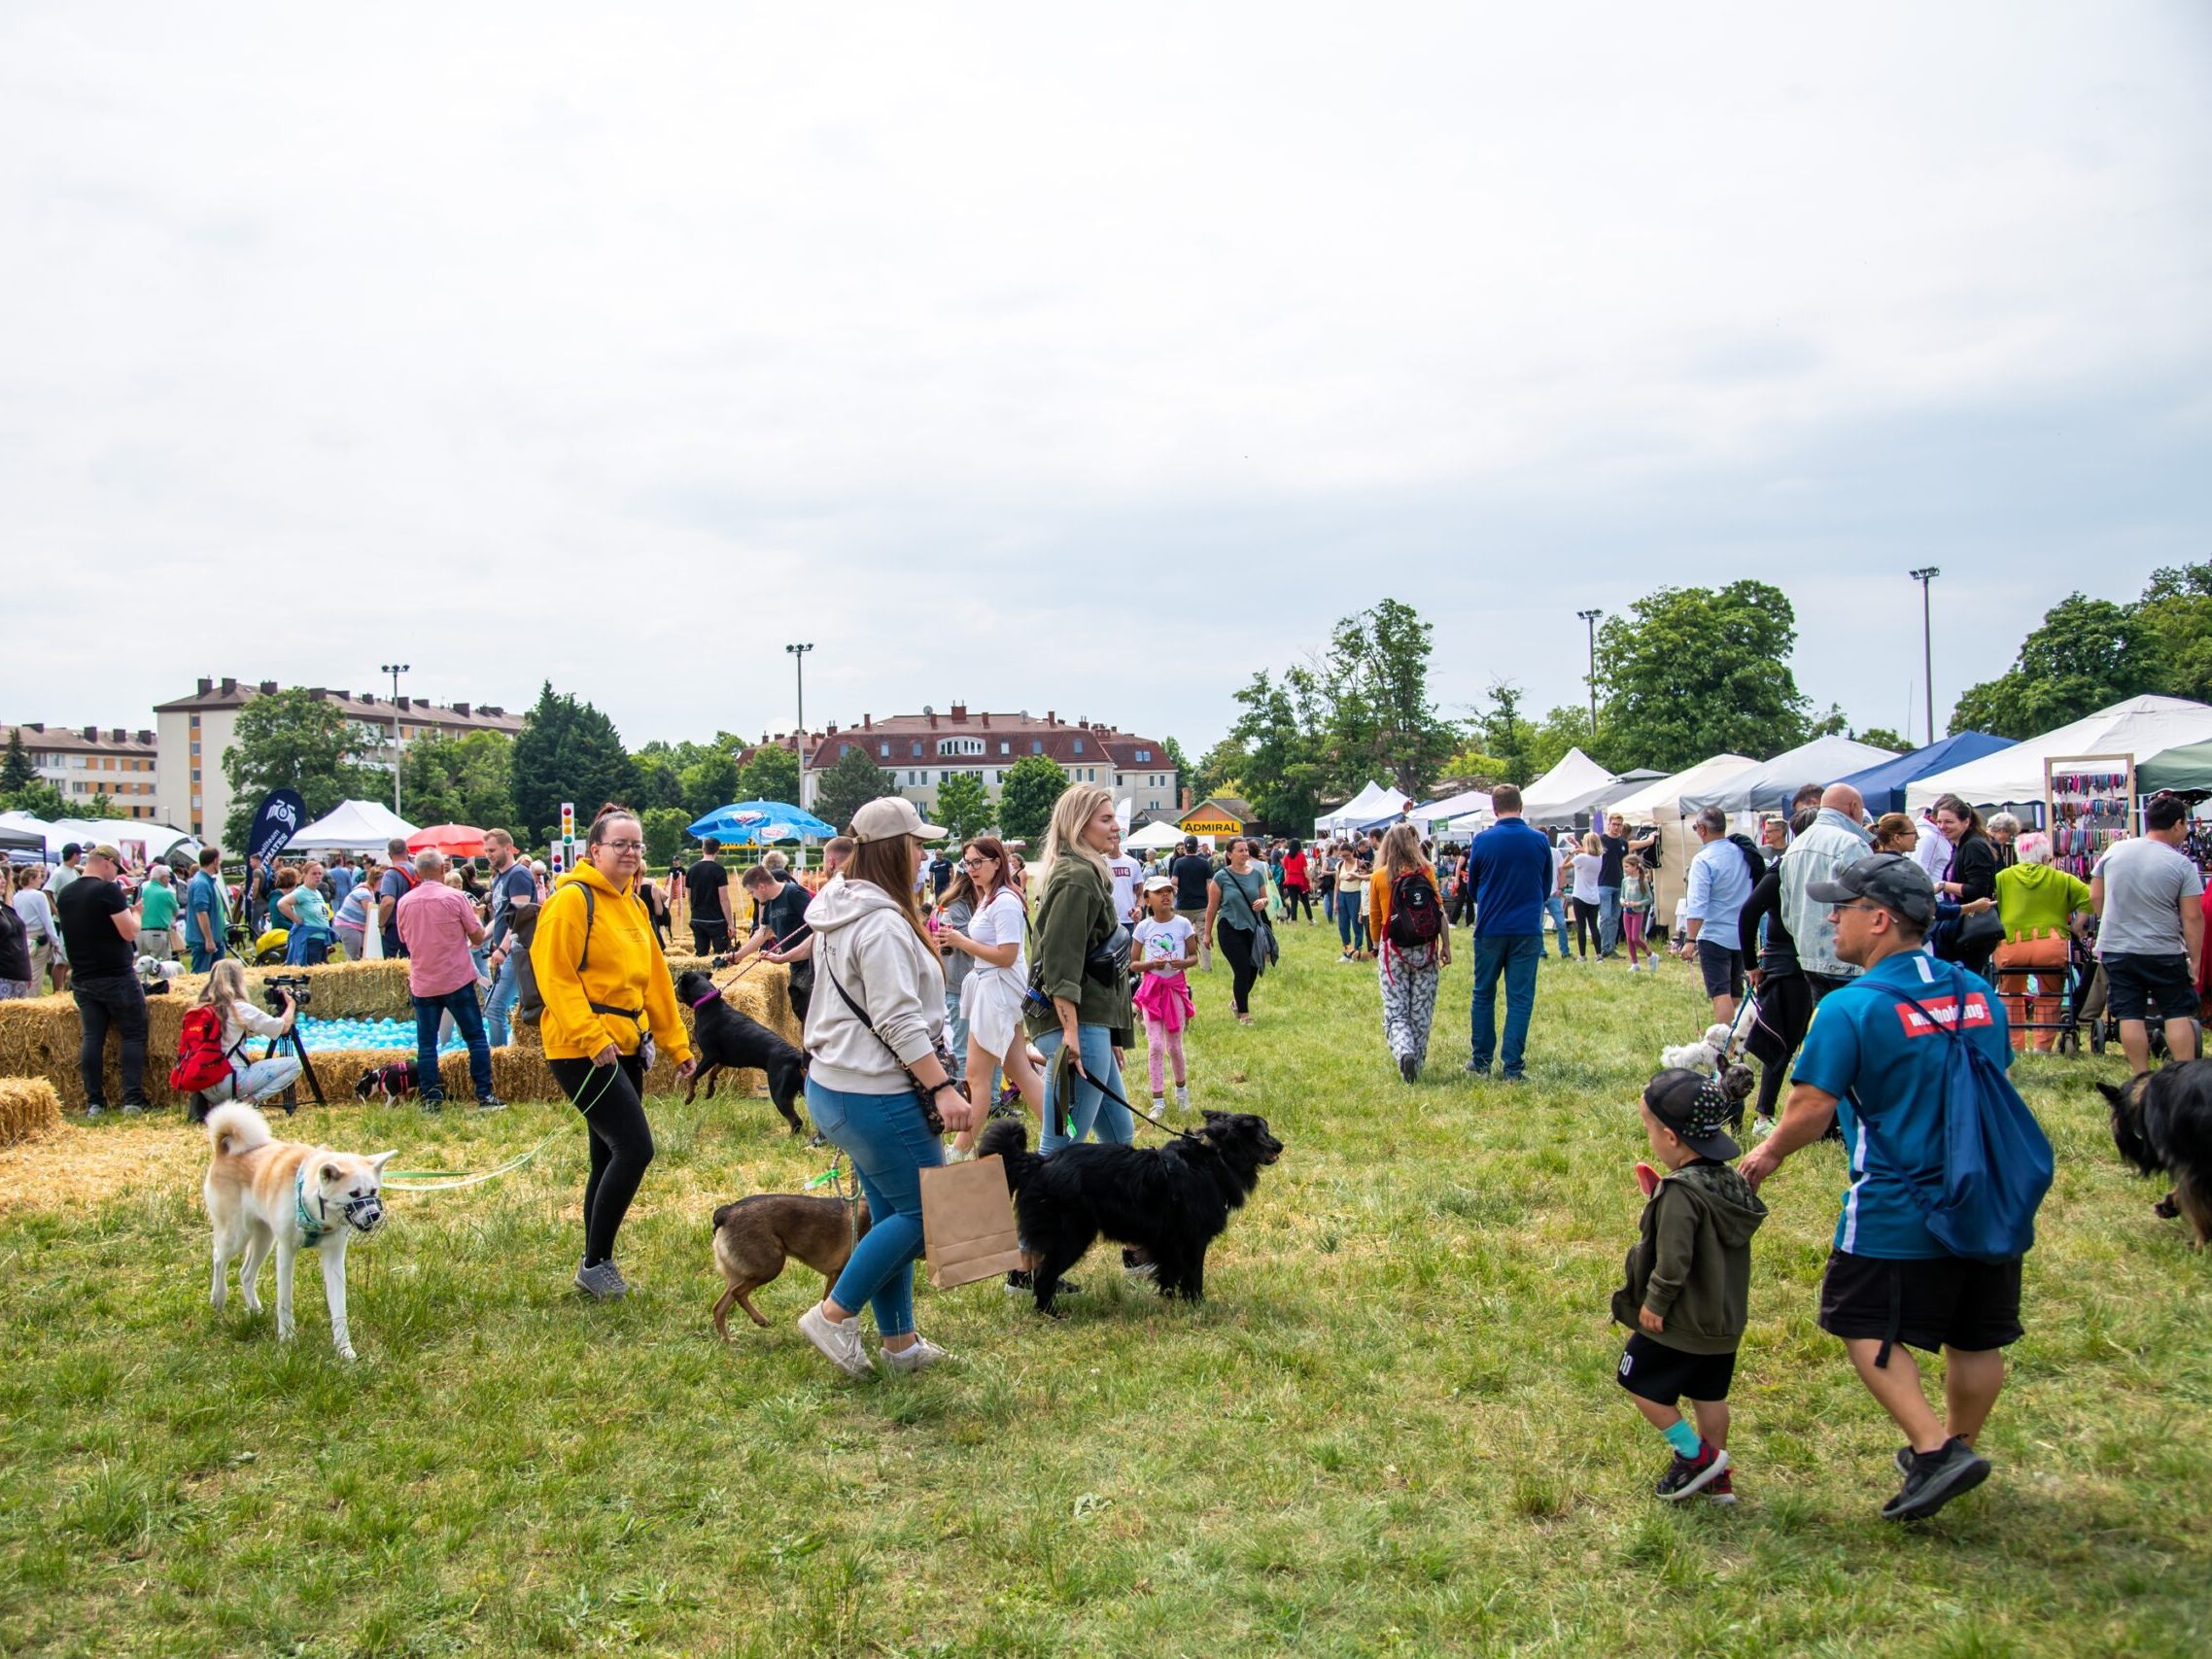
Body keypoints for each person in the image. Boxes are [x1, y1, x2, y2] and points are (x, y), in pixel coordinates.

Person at [1740, 854, 2028, 1522]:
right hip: (1988, 1189)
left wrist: (1767, 1153)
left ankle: (1934, 1450)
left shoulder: (1851, 1005)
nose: (1832, 916)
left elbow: (1810, 1109)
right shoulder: (1977, 991)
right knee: (1976, 1335)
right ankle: (1958, 1449)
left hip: (1900, 1201)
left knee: (1859, 1317)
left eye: (1843, 906)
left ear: (1881, 919)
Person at [795, 796, 969, 1375]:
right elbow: (897, 1020)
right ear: (896, 850)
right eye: (918, 845)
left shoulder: (838, 907)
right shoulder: (884, 923)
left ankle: (900, 1345)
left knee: (894, 1211)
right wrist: (943, 1087)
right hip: (875, 1091)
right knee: (925, 1215)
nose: (925, 856)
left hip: (835, 1085)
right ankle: (835, 1315)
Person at [532, 805, 696, 1300]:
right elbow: (554, 977)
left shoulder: (635, 905)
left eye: (637, 844)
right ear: (594, 850)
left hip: (626, 1042)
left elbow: (656, 984)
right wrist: (590, 1036)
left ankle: (596, 1261)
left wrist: (676, 1044)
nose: (630, 852)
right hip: (581, 1047)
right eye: (620, 844)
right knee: (635, 1148)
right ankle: (595, 1261)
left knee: (607, 1153)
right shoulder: (570, 902)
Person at [1613, 1068, 1768, 1504]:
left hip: (1680, 1321)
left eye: (1650, 1131)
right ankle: (1719, 1482)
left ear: (1672, 1138)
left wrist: (1656, 1303)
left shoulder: (1681, 1193)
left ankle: (1695, 1457)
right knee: (1709, 1395)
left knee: (1637, 1381)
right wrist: (1661, 1197)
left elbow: (1675, 1258)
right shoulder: (1729, 1181)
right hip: (1723, 1321)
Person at [1028, 784, 1137, 1152]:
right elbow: (1061, 962)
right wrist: (1073, 1036)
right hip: (1074, 1026)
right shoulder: (1077, 877)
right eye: (1106, 819)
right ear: (1078, 825)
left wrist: (1106, 1037)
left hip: (1091, 1026)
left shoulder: (1086, 872)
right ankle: (1040, 1210)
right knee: (1059, 1148)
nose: (1116, 828)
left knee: (1119, 1139)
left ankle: (1113, 1210)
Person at [938, 836, 1050, 1145]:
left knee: (978, 1076)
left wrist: (962, 943)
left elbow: (1007, 955)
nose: (971, 869)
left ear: (997, 862)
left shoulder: (1004, 902)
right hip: (992, 990)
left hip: (999, 992)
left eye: (978, 862)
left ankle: (961, 1149)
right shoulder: (991, 897)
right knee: (1019, 1070)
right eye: (967, 863)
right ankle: (1061, 1135)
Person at [2091, 790, 2204, 1075]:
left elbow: (2095, 896)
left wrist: (2111, 920)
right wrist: (2196, 960)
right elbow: (2192, 917)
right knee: (2176, 1013)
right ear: (2177, 824)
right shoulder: (2182, 865)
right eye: (2186, 825)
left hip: (2118, 948)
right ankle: (2184, 1077)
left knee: (2130, 1013)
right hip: (2163, 950)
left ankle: (2141, 1077)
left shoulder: (2116, 849)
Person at [395, 850, 502, 1112]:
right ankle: (484, 1095)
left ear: (417, 873)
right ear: (443, 870)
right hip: (457, 978)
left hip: (423, 981)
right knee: (475, 1038)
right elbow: (477, 938)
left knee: (427, 1045)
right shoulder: (455, 898)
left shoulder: (405, 902)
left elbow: (402, 938)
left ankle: (432, 1099)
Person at [1463, 784, 1553, 1082]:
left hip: (1490, 926)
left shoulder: (1483, 841)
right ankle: (1512, 1066)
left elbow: (1473, 888)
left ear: (1494, 808)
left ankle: (1482, 1060)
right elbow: (1545, 885)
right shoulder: (1539, 841)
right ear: (1521, 806)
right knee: (1520, 998)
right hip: (1527, 927)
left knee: (1483, 993)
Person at [55, 844, 149, 1115]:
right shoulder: (107, 891)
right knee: (133, 1034)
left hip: (83, 977)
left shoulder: (66, 893)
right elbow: (129, 933)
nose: (116, 875)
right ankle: (132, 1099)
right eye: (116, 869)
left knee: (92, 1038)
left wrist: (119, 897)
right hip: (115, 976)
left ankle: (94, 1101)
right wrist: (136, 912)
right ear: (107, 862)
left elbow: (92, 916)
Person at [1991, 831, 2091, 1054]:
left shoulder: (2002, 878)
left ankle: (2014, 1046)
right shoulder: (2062, 878)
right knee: (2050, 993)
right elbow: (2091, 898)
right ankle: (2042, 1046)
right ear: (2047, 856)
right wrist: (2077, 927)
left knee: (2010, 994)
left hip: (2011, 946)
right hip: (2050, 946)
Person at [1781, 784, 1875, 1003]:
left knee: (1825, 1024)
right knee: (1854, 1027)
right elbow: (1869, 902)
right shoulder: (1851, 843)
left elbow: (1787, 909)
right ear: (1854, 807)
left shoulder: (1795, 846)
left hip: (1808, 955)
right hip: (1847, 959)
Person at [1370, 822, 1449, 1082]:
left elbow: (1375, 917)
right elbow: (1439, 911)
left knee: (1396, 1010)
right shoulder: (1426, 872)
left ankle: (1404, 1051)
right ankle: (1418, 1059)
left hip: (1393, 949)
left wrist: (1376, 947)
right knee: (1421, 1010)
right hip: (1425, 948)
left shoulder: (1379, 876)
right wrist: (1445, 946)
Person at [1678, 807, 1756, 1023]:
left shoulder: (1703, 859)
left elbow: (1697, 904)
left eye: (1695, 828)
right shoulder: (1742, 852)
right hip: (1741, 933)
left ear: (1702, 829)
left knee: (1720, 993)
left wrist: (1690, 940)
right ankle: (1739, 1044)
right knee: (1736, 993)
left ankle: (1725, 1047)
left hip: (1714, 934)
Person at [190, 958, 304, 1107]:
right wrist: (291, 1005)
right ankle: (248, 1103)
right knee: (294, 1064)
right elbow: (282, 1028)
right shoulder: (239, 1008)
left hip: (204, 1084)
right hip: (231, 1082)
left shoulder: (201, 1009)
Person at [1129, 874, 1196, 1119]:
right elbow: (1134, 963)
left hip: (1175, 989)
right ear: (1147, 899)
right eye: (1158, 892)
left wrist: (1183, 962)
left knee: (1175, 1046)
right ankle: (1157, 1101)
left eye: (1169, 890)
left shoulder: (1183, 924)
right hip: (1152, 991)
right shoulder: (1143, 927)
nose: (1165, 895)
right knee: (1155, 1045)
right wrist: (1151, 965)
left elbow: (1194, 957)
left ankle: (1182, 1093)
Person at [1932, 795, 2001, 980]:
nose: (1942, 826)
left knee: (1965, 980)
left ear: (1966, 822)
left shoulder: (1973, 847)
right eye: (1938, 821)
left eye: (1948, 822)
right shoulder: (1960, 846)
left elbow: (1978, 891)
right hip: (1961, 925)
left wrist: (1943, 885)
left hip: (1970, 929)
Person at [736, 861, 814, 1023]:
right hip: (796, 965)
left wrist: (784, 957)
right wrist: (738, 956)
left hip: (812, 964)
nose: (754, 898)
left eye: (752, 893)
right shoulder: (770, 903)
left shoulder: (794, 893)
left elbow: (818, 929)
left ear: (761, 887)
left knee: (811, 1014)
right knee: (801, 1010)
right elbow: (763, 933)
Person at [1205, 837, 1271, 1025]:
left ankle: (1236, 1002)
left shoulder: (1256, 874)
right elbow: (1212, 907)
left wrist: (1262, 902)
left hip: (1251, 928)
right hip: (1229, 928)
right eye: (1240, 850)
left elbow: (1266, 898)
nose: (1245, 853)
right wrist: (1207, 933)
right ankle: (1244, 1013)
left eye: (1246, 850)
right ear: (1229, 854)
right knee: (1242, 968)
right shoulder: (1221, 876)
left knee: (1253, 968)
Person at [1597, 813, 1658, 959]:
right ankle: (1603, 948)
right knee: (1605, 917)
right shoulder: (1601, 840)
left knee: (1614, 918)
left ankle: (1610, 948)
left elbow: (1639, 844)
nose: (1617, 827)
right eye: (1614, 824)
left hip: (1619, 884)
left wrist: (1652, 838)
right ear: (1609, 825)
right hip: (1604, 884)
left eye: (1619, 825)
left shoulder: (1623, 843)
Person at [13, 865, 65, 993]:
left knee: (26, 972)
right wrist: (55, 941)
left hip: (22, 937)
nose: (41, 881)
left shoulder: (16, 896)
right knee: (36, 974)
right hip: (38, 937)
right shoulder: (39, 896)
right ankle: (31, 1000)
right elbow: (47, 920)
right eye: (39, 878)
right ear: (31, 879)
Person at [1169, 837, 1215, 971]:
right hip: (1201, 905)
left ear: (1185, 846)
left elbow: (1174, 882)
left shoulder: (1179, 862)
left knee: (1182, 936)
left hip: (1183, 905)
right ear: (1197, 847)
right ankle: (1206, 966)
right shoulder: (1204, 863)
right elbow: (1209, 885)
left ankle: (1182, 966)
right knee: (1203, 936)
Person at [279, 862, 335, 964]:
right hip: (310, 940)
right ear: (304, 875)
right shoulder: (302, 892)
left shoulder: (317, 892)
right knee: (310, 974)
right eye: (313, 873)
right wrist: (296, 919)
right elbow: (282, 903)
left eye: (320, 873)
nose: (318, 876)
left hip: (321, 940)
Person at [686, 838, 734, 956]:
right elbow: (724, 899)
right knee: (721, 955)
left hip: (697, 918)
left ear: (703, 849)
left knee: (701, 955)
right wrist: (730, 923)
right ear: (718, 851)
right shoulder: (719, 871)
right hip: (716, 919)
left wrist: (694, 912)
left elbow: (689, 897)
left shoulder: (691, 870)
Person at [186, 847, 228, 973]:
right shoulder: (201, 883)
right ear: (215, 861)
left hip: (214, 940)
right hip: (204, 942)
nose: (219, 864)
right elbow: (201, 913)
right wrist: (209, 940)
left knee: (217, 979)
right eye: (219, 861)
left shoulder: (206, 881)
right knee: (202, 978)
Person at [375, 836, 417, 957]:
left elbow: (388, 901)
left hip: (395, 924)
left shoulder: (391, 873)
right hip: (415, 923)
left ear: (389, 855)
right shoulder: (418, 870)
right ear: (407, 851)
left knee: (392, 965)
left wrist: (381, 924)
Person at [1569, 834, 1604, 959]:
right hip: (1594, 897)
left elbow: (1564, 866)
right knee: (1594, 926)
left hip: (1580, 895)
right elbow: (1588, 852)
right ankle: (1599, 954)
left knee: (1581, 927)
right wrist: (1577, 845)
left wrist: (1570, 853)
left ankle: (1582, 955)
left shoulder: (1582, 858)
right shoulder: (1599, 858)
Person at [136, 863, 181, 961]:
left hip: (139, 933)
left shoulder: (141, 889)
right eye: (168, 877)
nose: (169, 880)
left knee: (143, 965)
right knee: (160, 966)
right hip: (158, 933)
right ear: (163, 878)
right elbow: (176, 912)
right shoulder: (167, 893)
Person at [1619, 853, 1655, 971]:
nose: (1625, 869)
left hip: (1637, 912)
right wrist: (1622, 902)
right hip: (1626, 911)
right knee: (1629, 938)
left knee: (1635, 937)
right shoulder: (1625, 881)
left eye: (1627, 866)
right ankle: (1634, 963)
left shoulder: (1642, 881)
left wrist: (1636, 904)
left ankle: (1651, 955)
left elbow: (1649, 898)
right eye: (1624, 867)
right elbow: (1622, 896)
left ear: (1635, 867)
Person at [1333, 842, 1368, 961]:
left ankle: (1356, 953)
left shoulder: (1361, 864)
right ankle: (1347, 952)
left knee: (1356, 925)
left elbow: (1367, 879)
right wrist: (1335, 901)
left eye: (1347, 855)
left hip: (1356, 895)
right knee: (1343, 926)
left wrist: (1357, 876)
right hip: (1342, 895)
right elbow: (1337, 884)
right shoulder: (1339, 865)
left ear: (1353, 852)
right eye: (1342, 856)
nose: (1345, 858)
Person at [332, 869, 377, 962]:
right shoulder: (364, 893)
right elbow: (371, 913)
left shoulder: (369, 892)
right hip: (348, 925)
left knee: (363, 954)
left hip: (359, 925)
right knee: (354, 957)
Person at [0, 882, 31, 998]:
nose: (3, 881)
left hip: (17, 974)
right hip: (3, 974)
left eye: (3, 878)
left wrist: (27, 972)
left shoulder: (5, 908)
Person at [1105, 839, 1143, 926]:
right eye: (1106, 838)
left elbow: (1141, 893)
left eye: (1111, 838)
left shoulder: (1132, 863)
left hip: (1127, 919)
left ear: (1118, 840)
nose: (1108, 841)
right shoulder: (1098, 862)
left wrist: (1139, 908)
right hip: (1105, 920)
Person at [1280, 838, 1314, 923]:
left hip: (1290, 881)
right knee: (1305, 902)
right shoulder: (1302, 856)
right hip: (1300, 882)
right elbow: (1305, 871)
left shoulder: (1287, 857)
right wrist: (1309, 882)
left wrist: (1286, 882)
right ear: (1299, 846)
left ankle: (1293, 921)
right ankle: (1311, 920)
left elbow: (1286, 872)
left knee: (1293, 902)